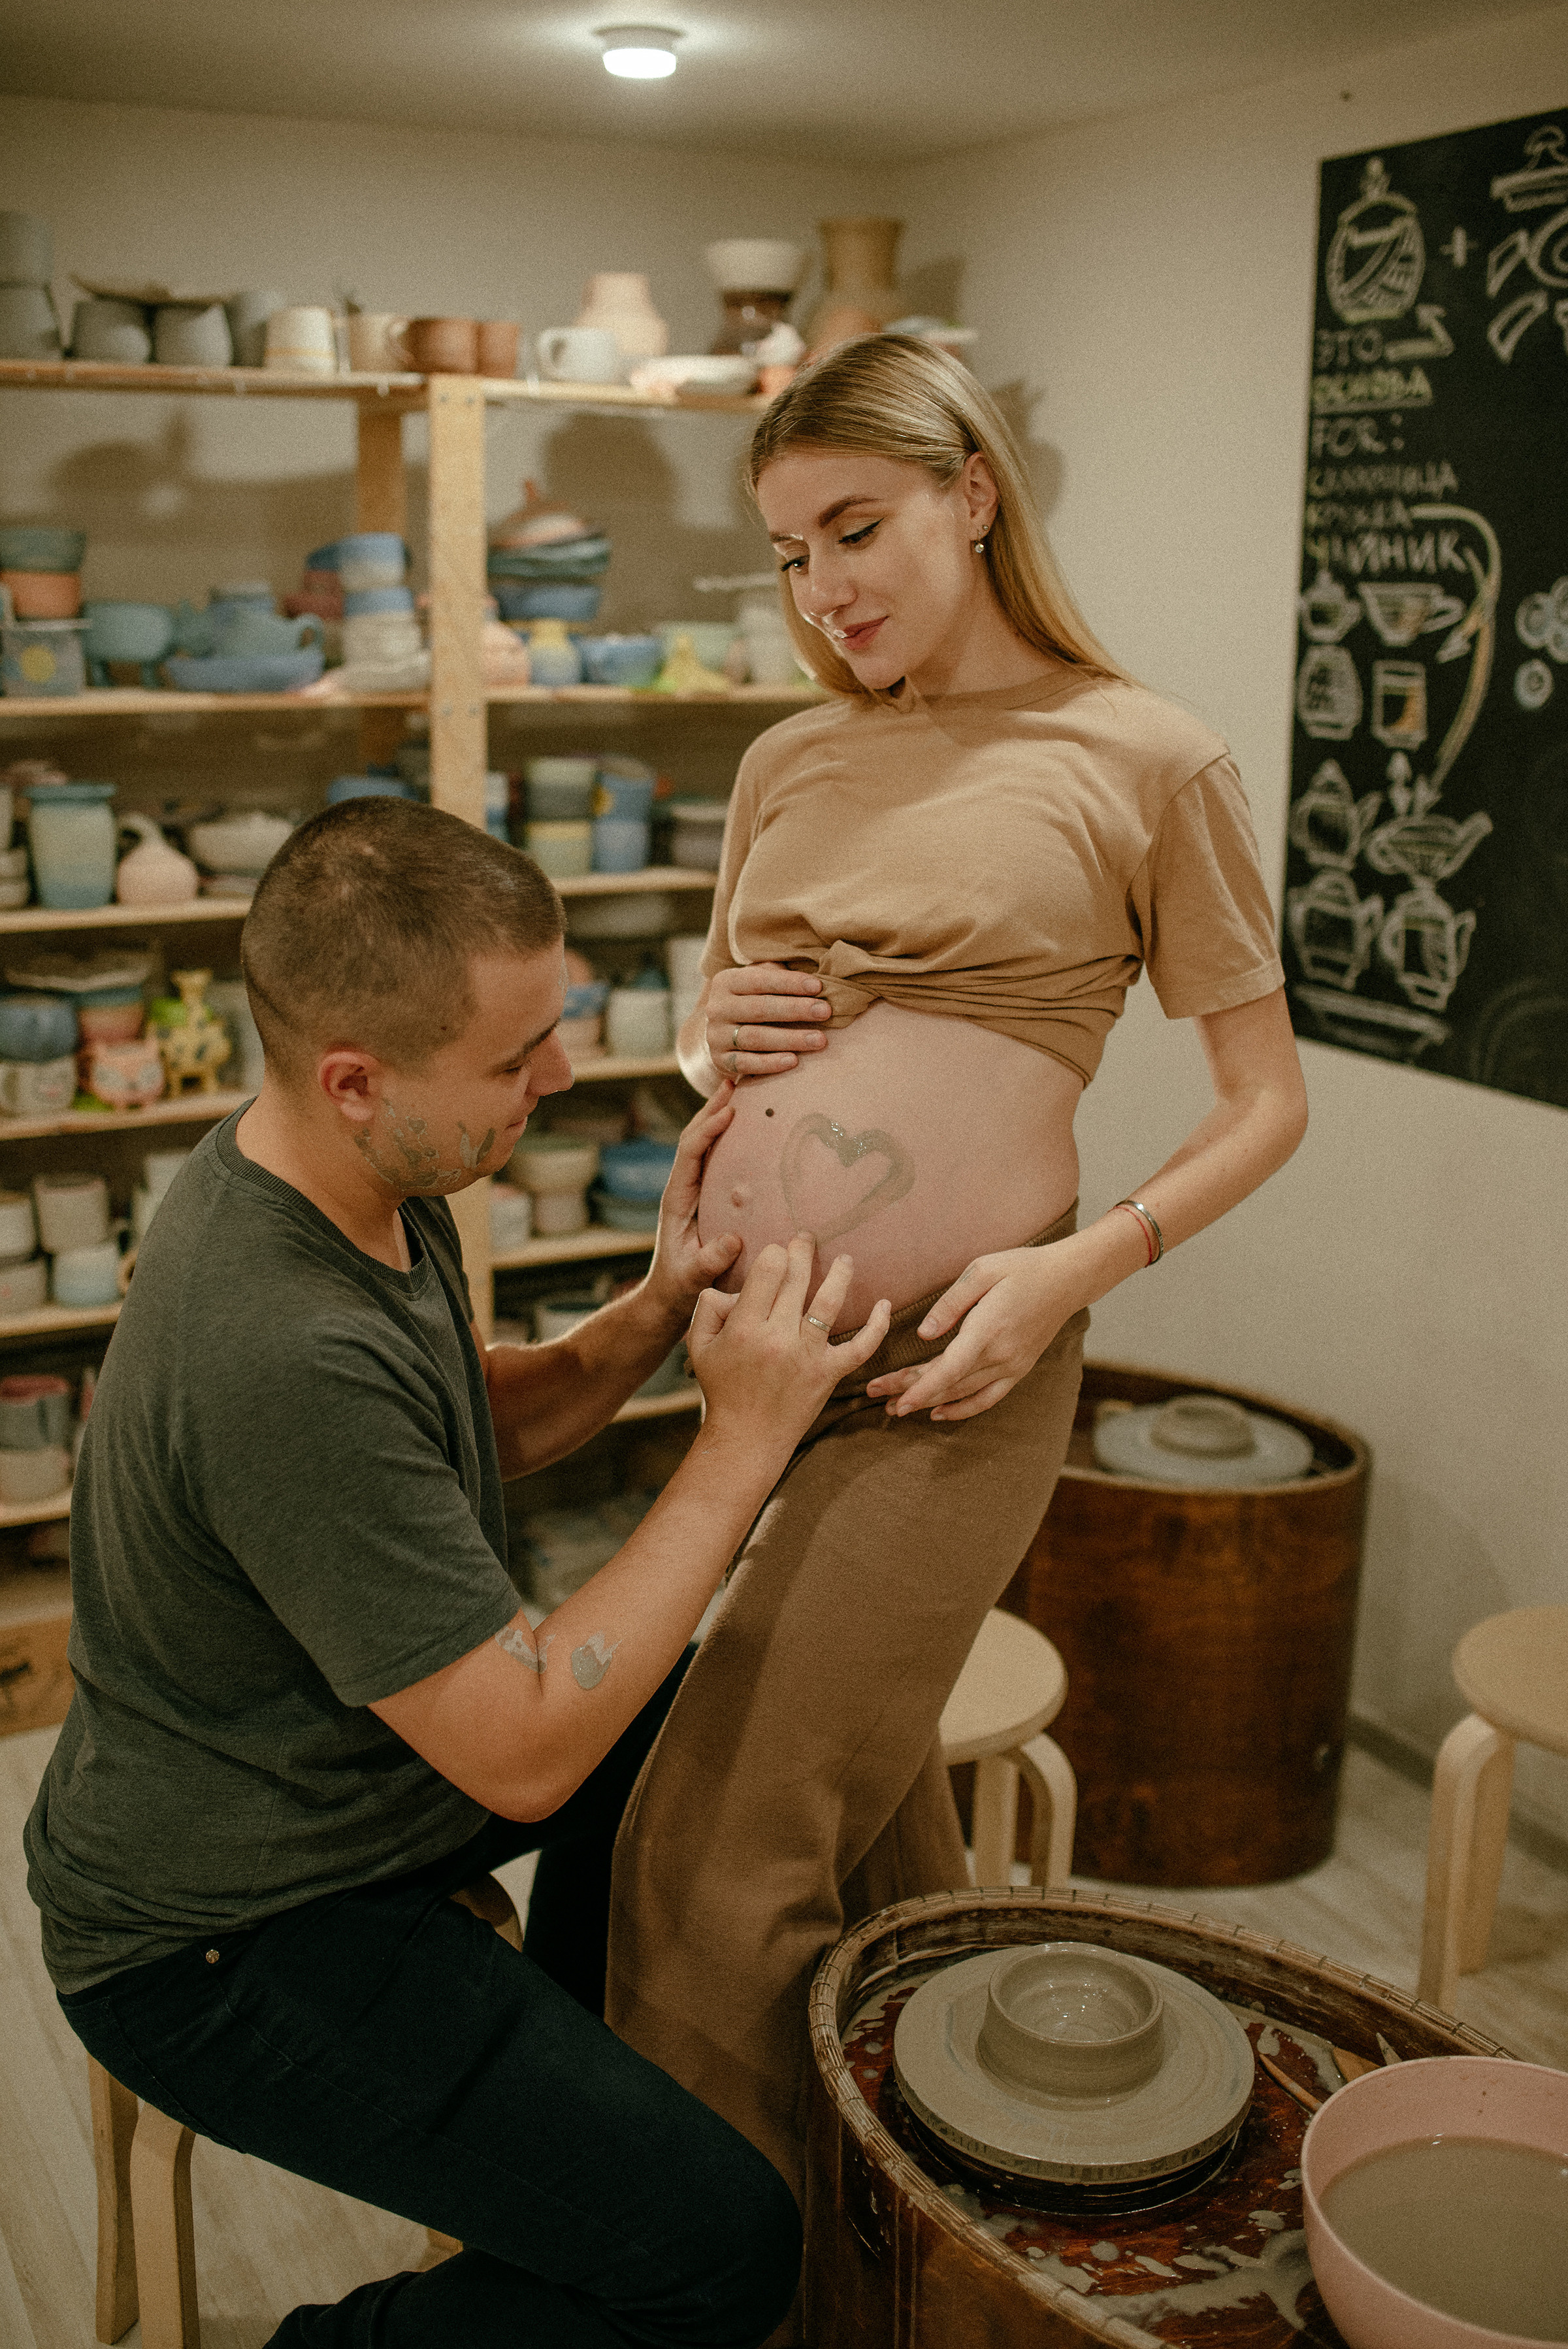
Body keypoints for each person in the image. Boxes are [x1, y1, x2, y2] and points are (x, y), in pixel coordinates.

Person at [24, 798, 894, 2349]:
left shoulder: (345, 1180)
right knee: (722, 2253)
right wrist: (741, 1438)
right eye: (517, 1059)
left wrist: (651, 1311)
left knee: (702, 1705)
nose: (558, 1080)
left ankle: (574, 2071)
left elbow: (457, 1422)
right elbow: (528, 1747)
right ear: (357, 1080)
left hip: (337, 1790)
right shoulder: (274, 1344)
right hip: (230, 1929)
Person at [605, 337, 1309, 2241]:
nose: (822, 585)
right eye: (784, 551)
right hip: (755, 1354)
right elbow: (738, 1043)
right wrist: (702, 1037)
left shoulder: (1144, 755)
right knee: (870, 1823)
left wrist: (1079, 1261)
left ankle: (694, 2279)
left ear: (973, 496)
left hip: (950, 1372)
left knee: (711, 1839)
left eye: (856, 525)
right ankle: (916, 2237)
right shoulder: (789, 752)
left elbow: (1268, 1101)